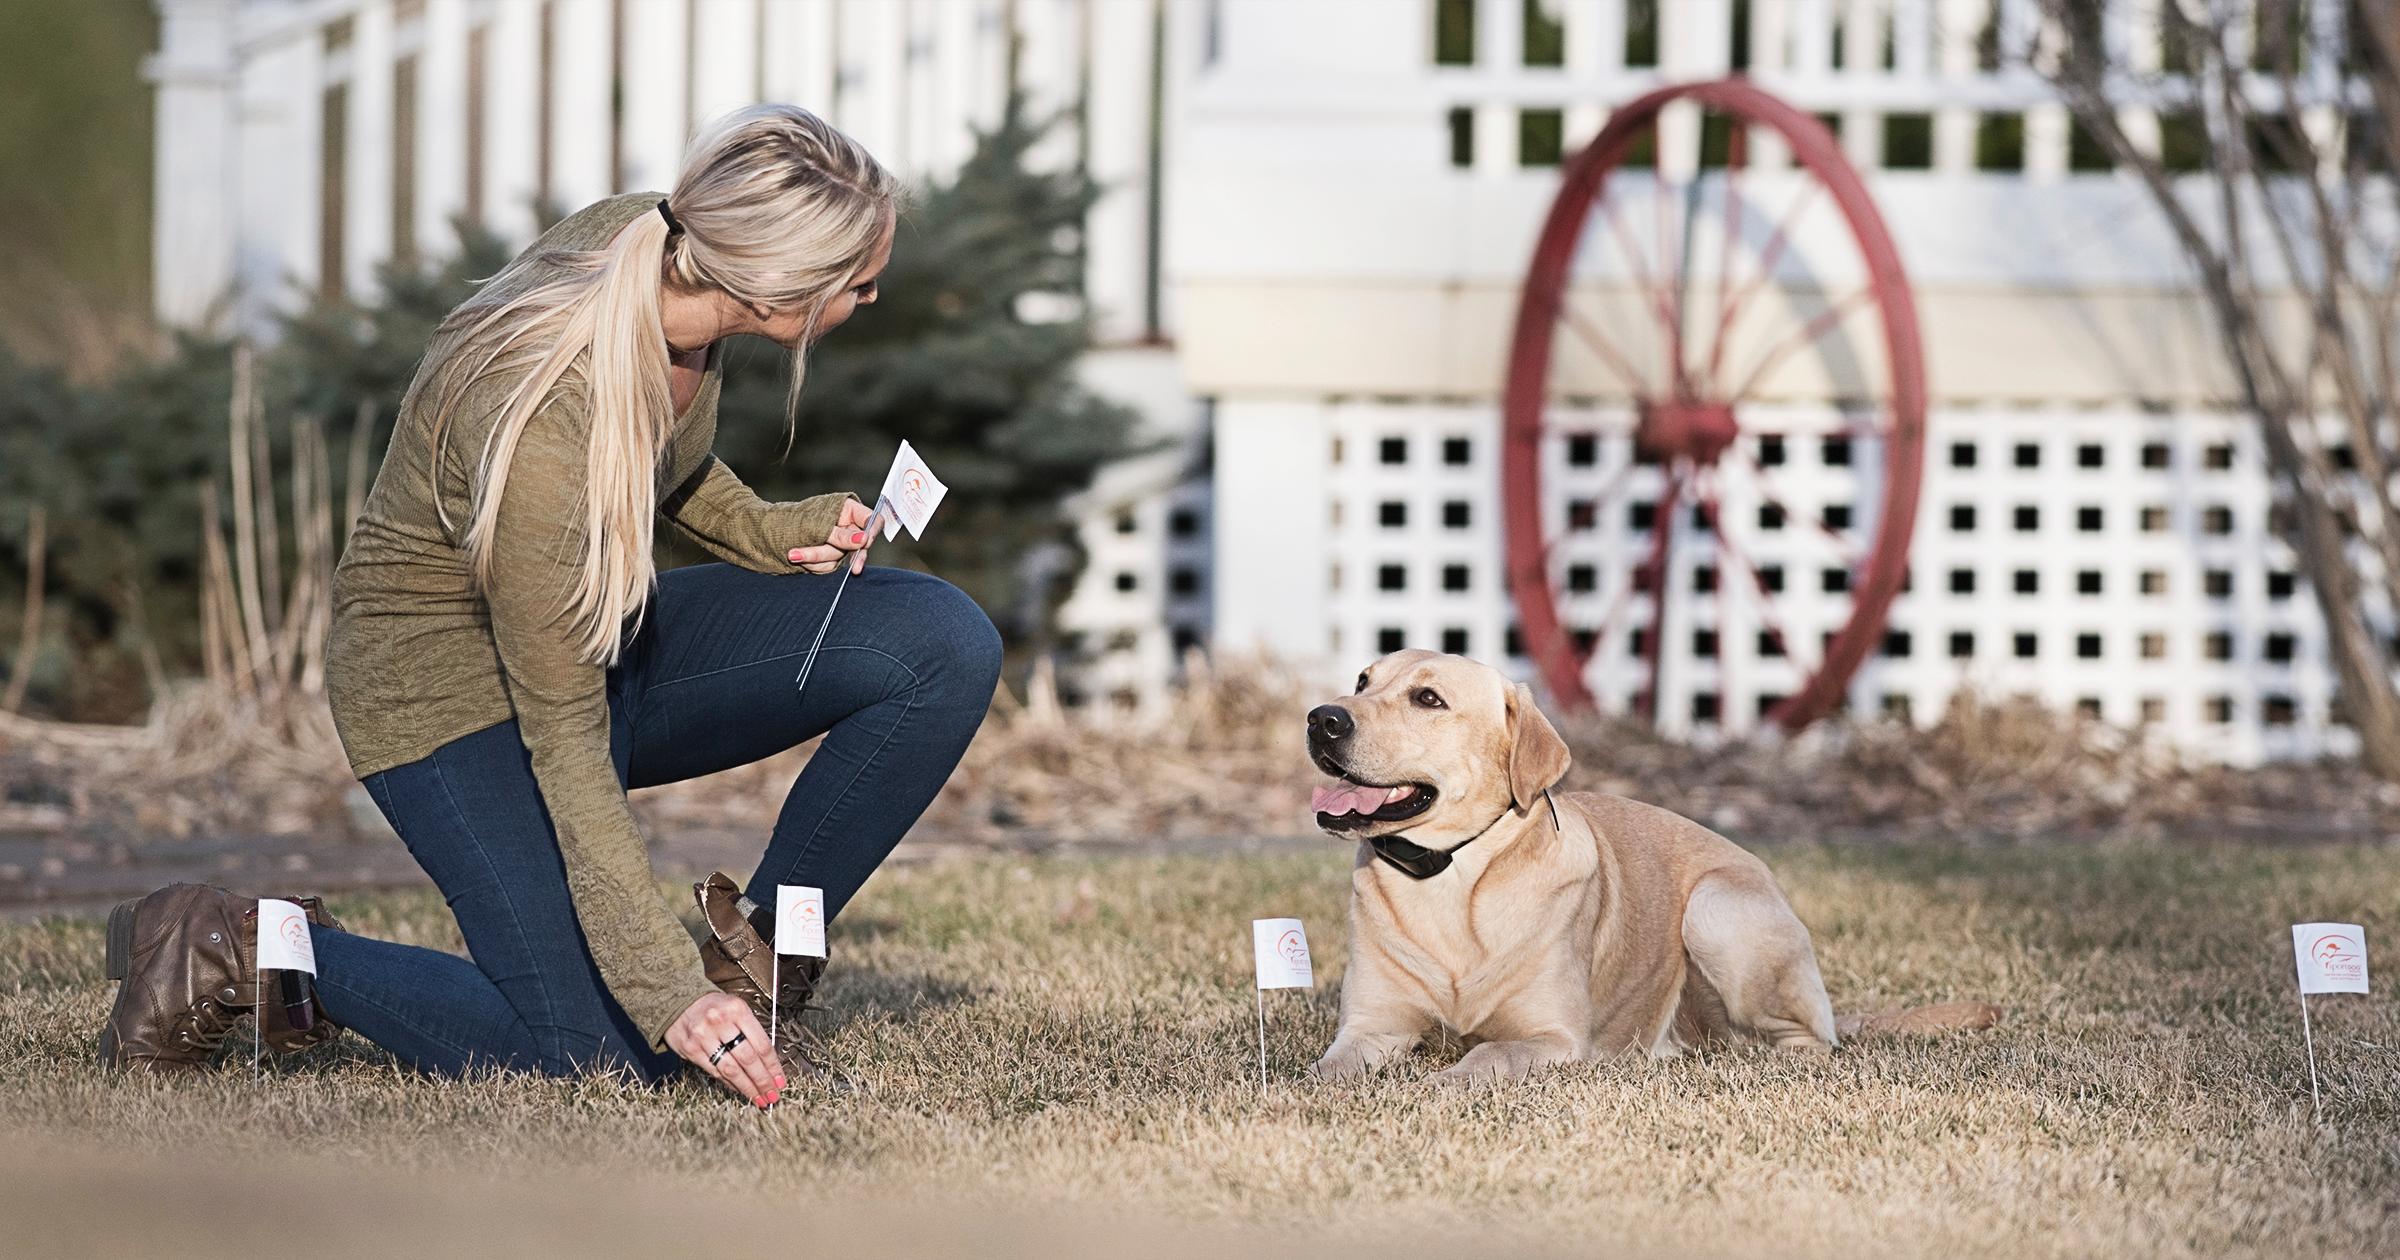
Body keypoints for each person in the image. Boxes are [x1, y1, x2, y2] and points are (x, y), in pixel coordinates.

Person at [93, 104, 1003, 1109]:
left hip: (590, 631)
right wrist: (664, 992)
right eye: (859, 285)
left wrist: (764, 527)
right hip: (447, 700)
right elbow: (567, 745)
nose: (871, 299)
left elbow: (659, 458)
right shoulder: (545, 423)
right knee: (596, 1053)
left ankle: (755, 975)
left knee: (939, 645)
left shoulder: (666, 251)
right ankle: (233, 942)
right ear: (782, 290)